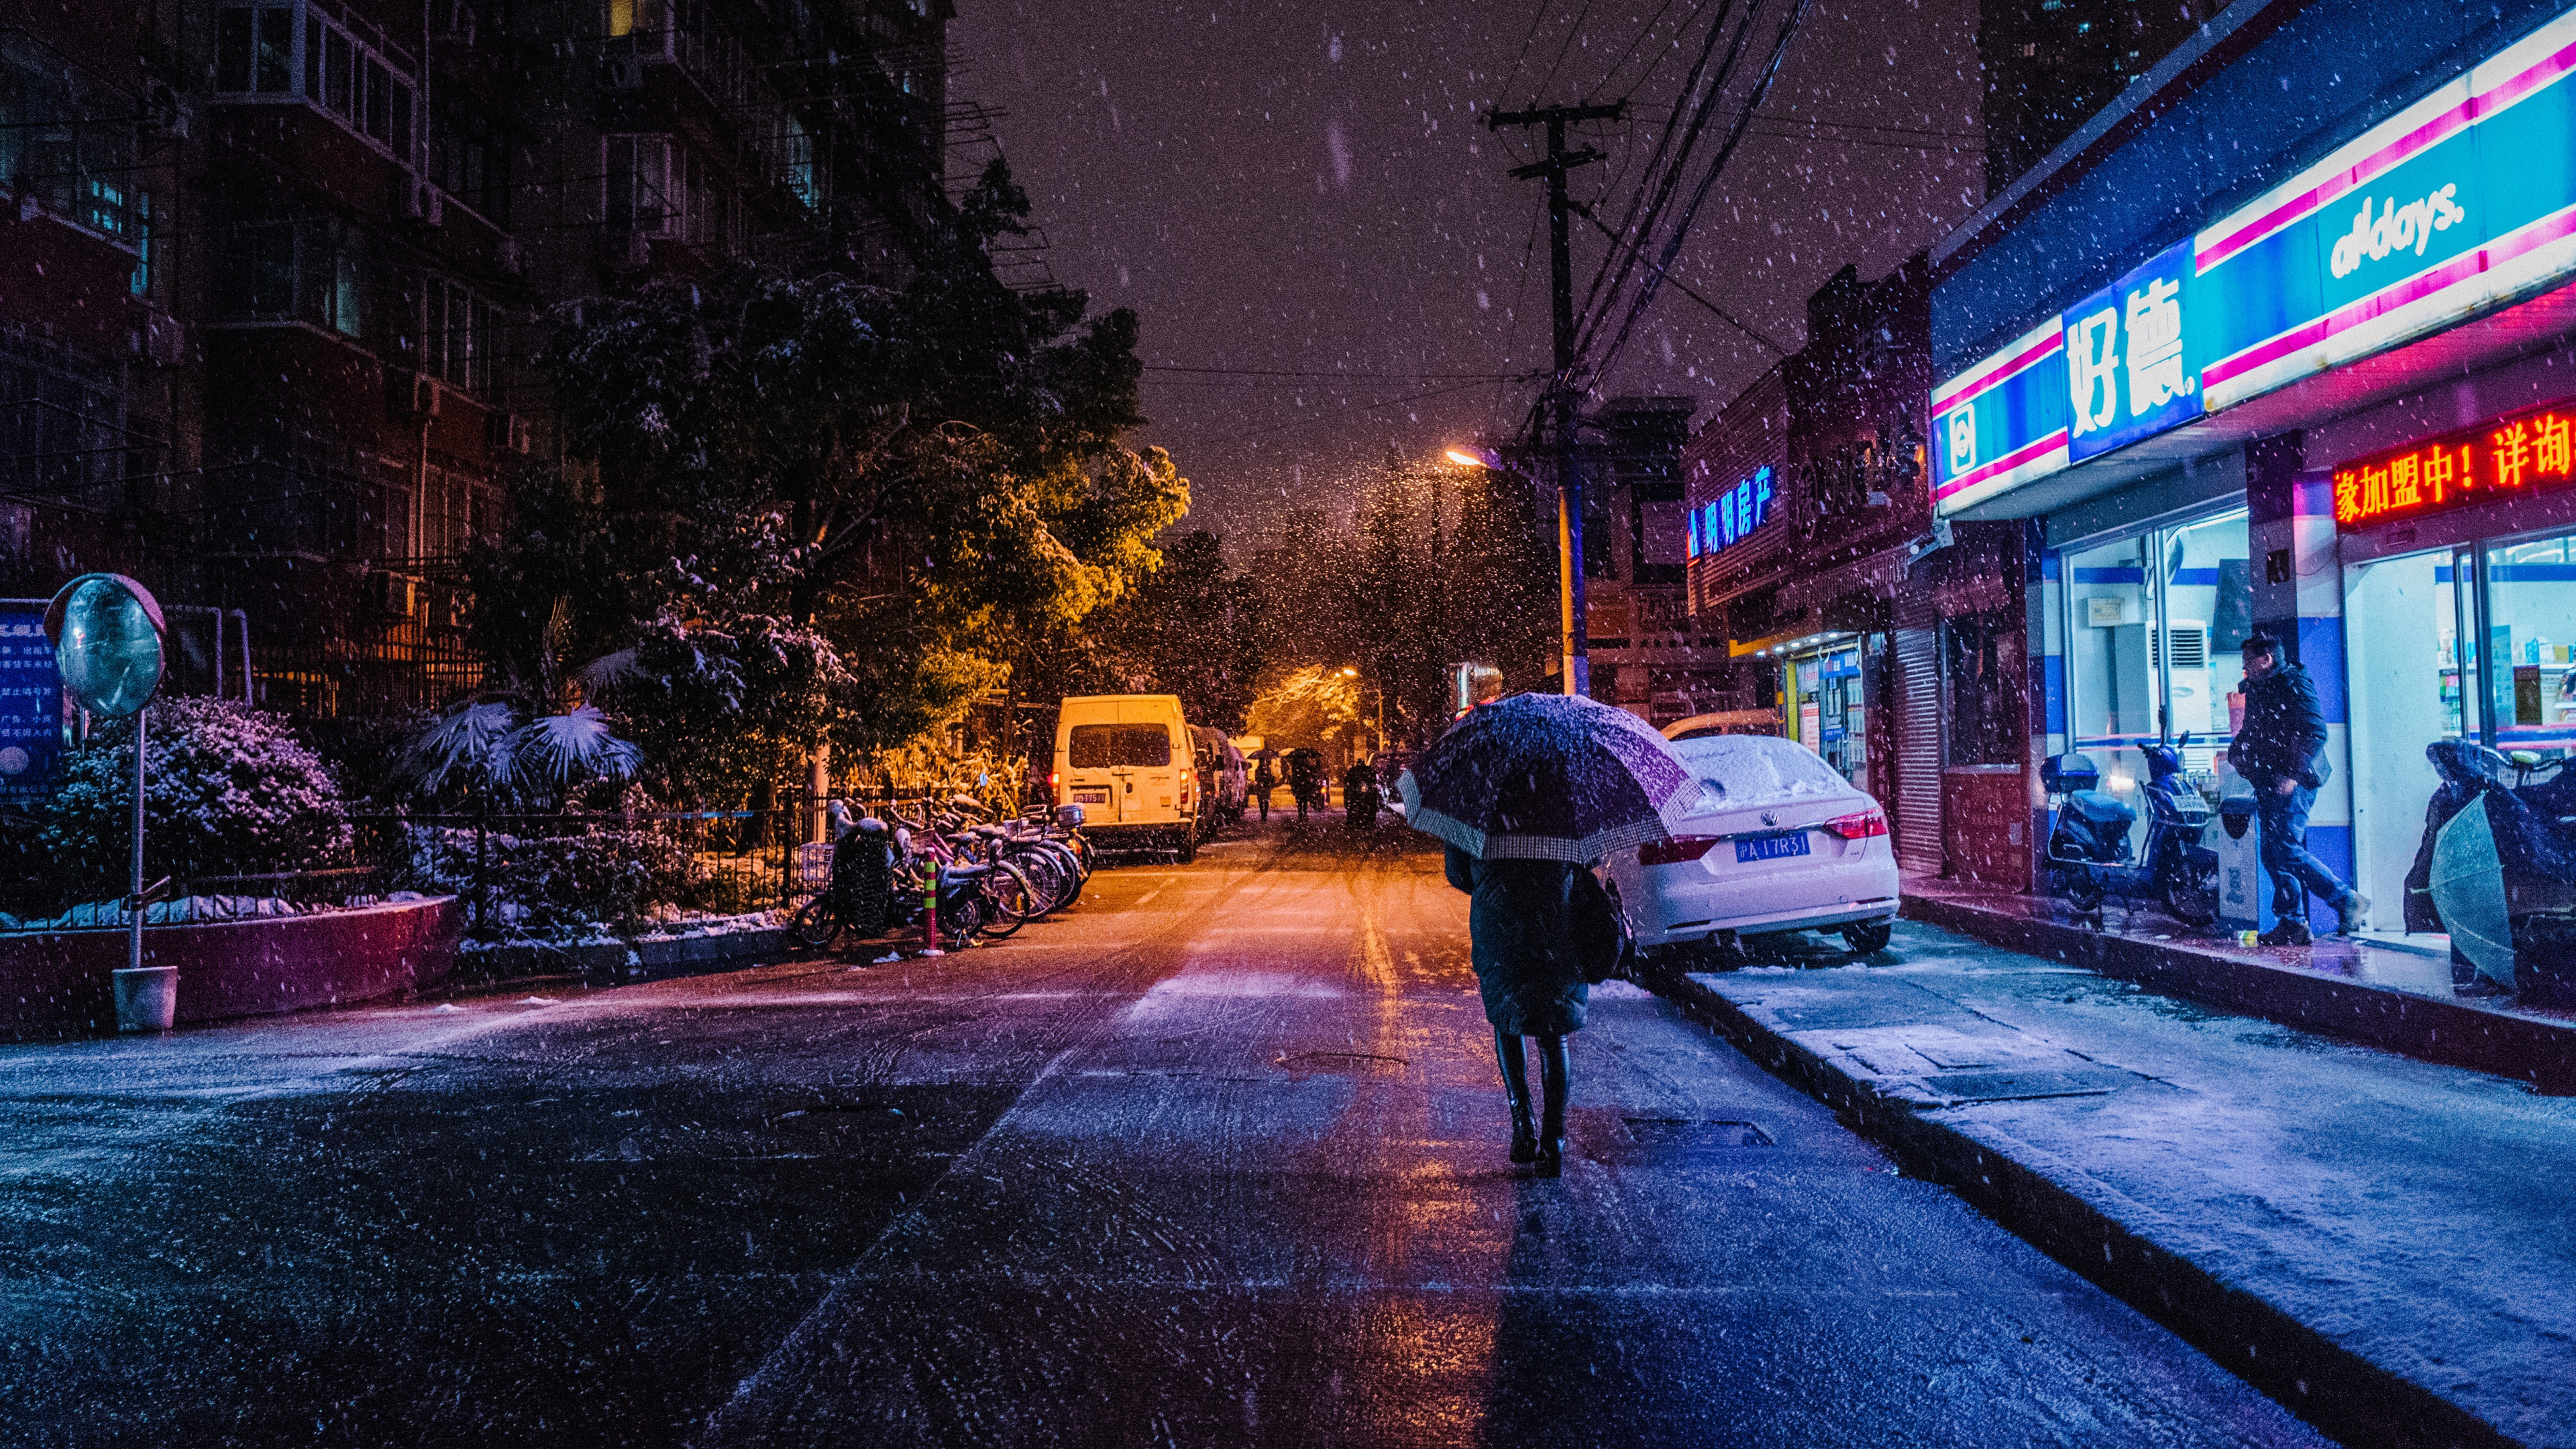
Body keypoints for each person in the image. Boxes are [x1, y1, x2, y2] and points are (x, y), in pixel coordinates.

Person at [1440, 845, 1616, 1177]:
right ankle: (1554, 1141)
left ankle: (1523, 1120)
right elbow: (1590, 858)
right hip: (1557, 925)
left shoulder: (1483, 803)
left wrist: (1498, 881)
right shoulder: (1562, 803)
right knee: (1553, 1035)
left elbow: (1459, 873)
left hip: (1499, 925)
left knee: (1508, 1022)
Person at [2229, 633, 2369, 944]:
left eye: (2247, 661)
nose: (2244, 669)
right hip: (2269, 779)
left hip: (2295, 781)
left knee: (2285, 849)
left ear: (2265, 660)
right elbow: (2255, 729)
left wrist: (2291, 775)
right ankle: (2293, 922)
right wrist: (2238, 752)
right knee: (2272, 853)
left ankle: (2345, 899)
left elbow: (2315, 732)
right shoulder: (2259, 688)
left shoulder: (2293, 684)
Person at [1252, 757, 1276, 821]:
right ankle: (1262, 814)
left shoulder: (1268, 769)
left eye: (1264, 761)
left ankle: (1265, 814)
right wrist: (1262, 777)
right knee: (1261, 801)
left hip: (1267, 787)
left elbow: (1271, 777)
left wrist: (1271, 778)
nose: (1263, 763)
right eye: (1262, 762)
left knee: (1266, 801)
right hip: (1261, 787)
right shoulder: (1258, 770)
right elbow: (1257, 778)